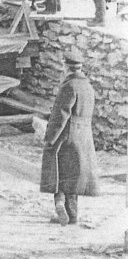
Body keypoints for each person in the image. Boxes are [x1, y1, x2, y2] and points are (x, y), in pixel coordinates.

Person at [39, 49, 99, 225]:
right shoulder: (88, 87)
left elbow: (61, 115)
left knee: (58, 172)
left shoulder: (69, 86)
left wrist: (50, 138)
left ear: (66, 67)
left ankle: (59, 206)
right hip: (84, 136)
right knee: (74, 176)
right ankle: (72, 215)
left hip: (67, 135)